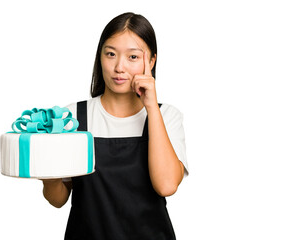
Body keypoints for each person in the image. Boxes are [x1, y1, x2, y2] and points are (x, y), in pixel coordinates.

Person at [42, 12, 189, 240]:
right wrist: (47, 172)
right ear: (99, 57)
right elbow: (58, 199)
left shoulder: (167, 116)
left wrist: (151, 108)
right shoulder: (72, 117)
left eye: (132, 57)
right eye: (110, 54)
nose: (119, 67)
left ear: (150, 61)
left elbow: (167, 185)